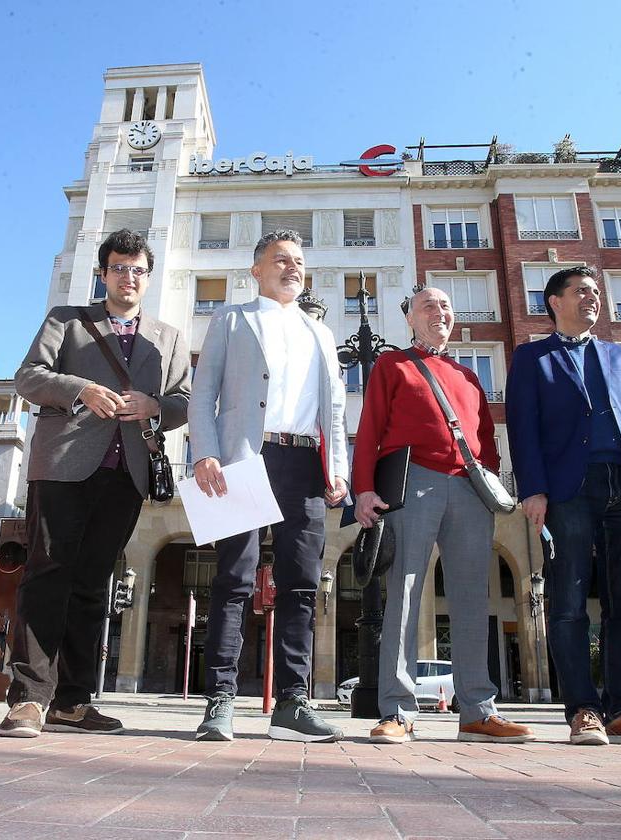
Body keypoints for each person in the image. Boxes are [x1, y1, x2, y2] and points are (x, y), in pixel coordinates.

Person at [0, 229, 191, 738]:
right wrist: (80, 387)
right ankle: (28, 698)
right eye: (119, 268)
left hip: (126, 473)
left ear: (148, 278)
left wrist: (156, 407)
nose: (128, 277)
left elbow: (183, 400)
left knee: (92, 586)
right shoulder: (67, 320)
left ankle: (73, 701)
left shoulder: (169, 337)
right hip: (62, 465)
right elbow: (28, 377)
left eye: (138, 269)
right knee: (47, 577)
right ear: (103, 273)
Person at [505, 265, 621, 746]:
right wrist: (533, 489)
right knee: (567, 603)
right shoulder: (531, 358)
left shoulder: (620, 355)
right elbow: (524, 429)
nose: (592, 298)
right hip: (568, 491)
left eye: (596, 292)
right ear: (554, 302)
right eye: (581, 291)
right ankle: (583, 709)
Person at [354, 287, 536, 745]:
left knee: (473, 597)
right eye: (429, 305)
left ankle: (478, 711)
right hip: (413, 481)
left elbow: (487, 440)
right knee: (405, 593)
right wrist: (363, 489)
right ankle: (397, 711)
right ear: (410, 319)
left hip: (469, 489)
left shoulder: (468, 375)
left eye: (447, 306)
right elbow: (369, 429)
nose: (441, 312)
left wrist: (490, 478)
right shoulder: (391, 366)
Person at [190, 230, 348, 742]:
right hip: (243, 460)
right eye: (280, 260)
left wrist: (338, 467)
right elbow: (204, 392)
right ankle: (220, 701)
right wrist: (205, 453)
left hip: (304, 464)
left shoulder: (320, 333)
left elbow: (336, 408)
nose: (292, 268)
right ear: (256, 270)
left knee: (302, 584)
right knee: (233, 581)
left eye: (299, 261)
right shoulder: (230, 319)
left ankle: (293, 703)